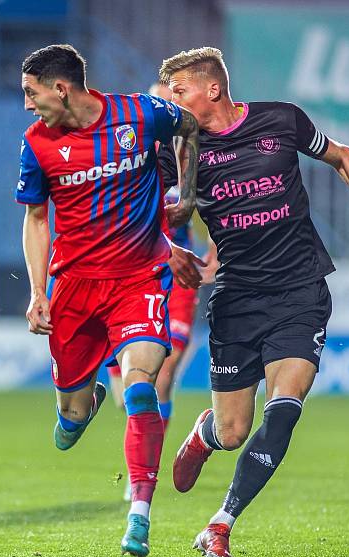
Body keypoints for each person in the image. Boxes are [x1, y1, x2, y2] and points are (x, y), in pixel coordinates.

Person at [158, 47, 349, 557]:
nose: (171, 100)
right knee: (233, 432)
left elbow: (341, 154)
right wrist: (171, 249)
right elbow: (151, 210)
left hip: (300, 291)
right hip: (237, 299)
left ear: (212, 89)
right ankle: (207, 432)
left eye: (178, 90)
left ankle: (219, 525)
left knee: (284, 410)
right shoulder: (180, 149)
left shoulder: (281, 119)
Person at [15, 44, 202, 557]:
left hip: (138, 279)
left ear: (61, 88)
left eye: (31, 93)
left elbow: (189, 125)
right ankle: (83, 407)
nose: (28, 104)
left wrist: (185, 195)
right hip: (73, 288)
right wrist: (37, 293)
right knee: (68, 424)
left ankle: (139, 514)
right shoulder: (37, 144)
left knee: (143, 387)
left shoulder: (139, 113)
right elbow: (35, 219)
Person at [105, 82, 217, 502]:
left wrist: (213, 259)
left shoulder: (194, 159)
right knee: (131, 395)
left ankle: (143, 474)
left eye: (172, 103)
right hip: (131, 276)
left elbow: (217, 213)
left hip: (175, 279)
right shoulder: (129, 159)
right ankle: (111, 369)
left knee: (164, 376)